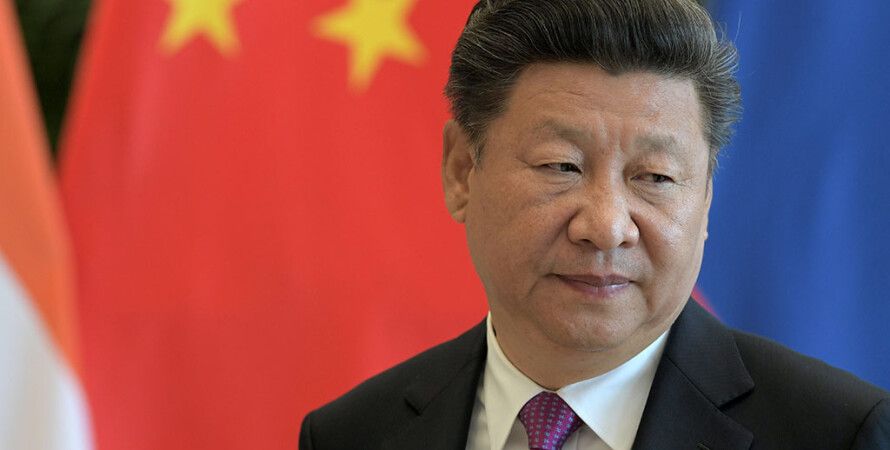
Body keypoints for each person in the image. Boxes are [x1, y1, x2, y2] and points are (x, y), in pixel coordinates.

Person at [299, 0, 890, 448]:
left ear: (707, 196)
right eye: (562, 165)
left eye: (655, 177)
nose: (606, 227)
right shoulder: (352, 434)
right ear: (462, 171)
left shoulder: (838, 433)